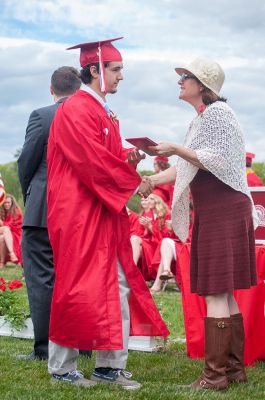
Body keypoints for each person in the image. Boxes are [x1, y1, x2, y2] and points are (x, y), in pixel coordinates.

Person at [46, 37, 169, 389]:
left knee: (117, 283)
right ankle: (62, 368)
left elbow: (108, 160)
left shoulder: (103, 111)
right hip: (78, 212)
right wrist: (133, 184)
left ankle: (109, 366)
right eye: (116, 70)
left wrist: (129, 163)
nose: (121, 77)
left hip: (102, 210)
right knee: (75, 286)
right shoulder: (75, 109)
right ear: (95, 70)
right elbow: (90, 161)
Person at [147, 57, 257, 390]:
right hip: (219, 209)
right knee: (223, 291)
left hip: (223, 208)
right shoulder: (203, 119)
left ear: (203, 85)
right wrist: (151, 181)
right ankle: (233, 371)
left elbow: (217, 161)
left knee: (215, 291)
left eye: (186, 77)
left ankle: (214, 377)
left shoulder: (218, 115)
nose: (180, 81)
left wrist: (176, 148)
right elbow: (186, 168)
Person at [17, 66, 82, 360]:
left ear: (51, 88)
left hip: (43, 208)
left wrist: (31, 193)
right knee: (77, 278)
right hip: (81, 212)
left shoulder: (42, 116)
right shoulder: (91, 117)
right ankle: (81, 344)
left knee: (42, 277)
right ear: (78, 88)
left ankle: (45, 348)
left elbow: (27, 161)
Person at [0, 194, 22, 268]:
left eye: (8, 202)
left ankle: (2, 262)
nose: (6, 204)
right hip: (5, 231)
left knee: (2, 238)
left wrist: (1, 222)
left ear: (12, 203)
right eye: (5, 202)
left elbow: (11, 226)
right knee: (5, 229)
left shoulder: (16, 211)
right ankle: (12, 253)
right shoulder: (1, 211)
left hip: (15, 233)